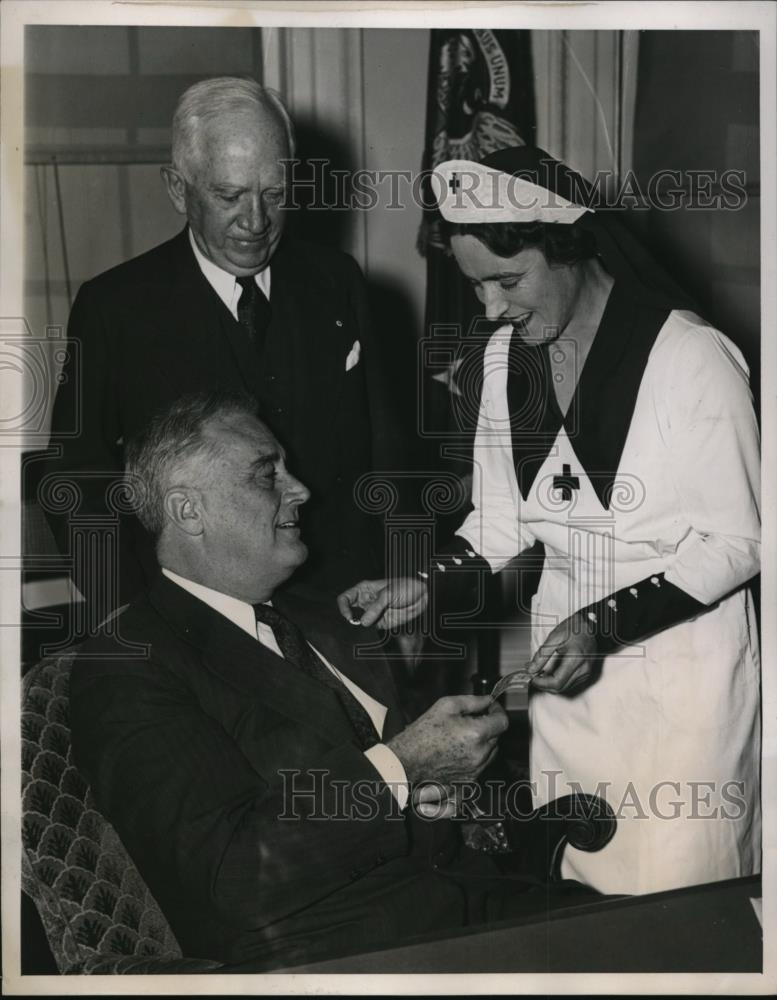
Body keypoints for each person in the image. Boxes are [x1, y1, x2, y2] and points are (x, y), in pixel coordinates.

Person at [339, 146, 761, 897]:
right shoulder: (505, 362)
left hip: (680, 685)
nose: (492, 309)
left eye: (507, 280)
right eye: (476, 286)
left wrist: (603, 623)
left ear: (566, 247)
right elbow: (501, 519)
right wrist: (428, 582)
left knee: (679, 902)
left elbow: (741, 539)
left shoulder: (690, 358)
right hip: (567, 688)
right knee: (576, 888)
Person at [69, 390, 603, 970]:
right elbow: (232, 874)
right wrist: (404, 768)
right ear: (188, 510)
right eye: (266, 475)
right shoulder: (130, 663)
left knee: (671, 939)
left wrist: (450, 788)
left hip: (475, 907)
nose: (301, 490)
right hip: (337, 958)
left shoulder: (325, 614)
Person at [44, 76, 395, 627]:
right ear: (178, 189)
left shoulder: (338, 282)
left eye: (274, 194)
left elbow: (388, 448)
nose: (255, 223)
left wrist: (406, 580)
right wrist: (134, 613)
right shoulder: (114, 307)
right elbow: (75, 482)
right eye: (229, 196)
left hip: (345, 609)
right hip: (190, 625)